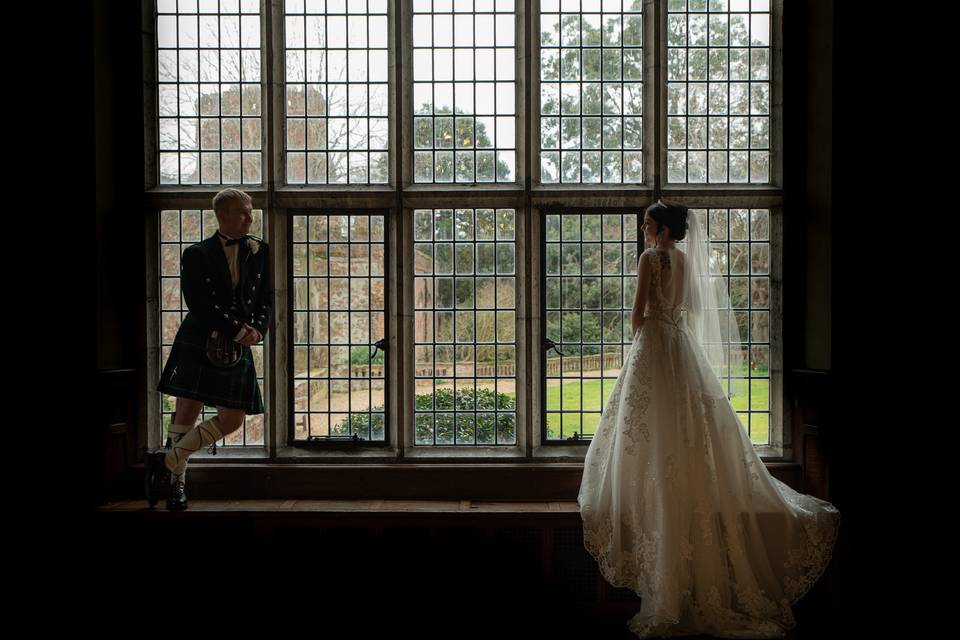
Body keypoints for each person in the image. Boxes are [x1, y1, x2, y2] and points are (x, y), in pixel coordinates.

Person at [577, 201, 840, 638]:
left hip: (655, 345)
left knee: (646, 427)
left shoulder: (650, 259)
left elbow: (638, 314)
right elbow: (694, 310)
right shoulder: (684, 260)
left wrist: (643, 328)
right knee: (687, 428)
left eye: (647, 223)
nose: (643, 229)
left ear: (660, 229)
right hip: (681, 346)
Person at [145, 188, 272, 510]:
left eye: (250, 211)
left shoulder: (260, 250)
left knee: (232, 419)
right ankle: (176, 486)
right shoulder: (196, 254)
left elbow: (267, 297)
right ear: (222, 215)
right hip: (201, 338)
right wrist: (236, 328)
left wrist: (257, 329)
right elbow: (198, 302)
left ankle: (167, 460)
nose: (249, 217)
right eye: (243, 212)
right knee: (187, 412)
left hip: (239, 341)